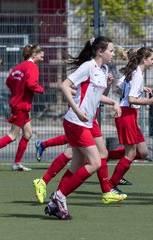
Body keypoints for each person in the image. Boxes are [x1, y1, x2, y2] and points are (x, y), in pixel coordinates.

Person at [45, 36, 121, 220]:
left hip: (84, 122)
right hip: (75, 121)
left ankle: (54, 203)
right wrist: (77, 110)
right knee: (95, 162)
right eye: (111, 50)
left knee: (77, 164)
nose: (113, 53)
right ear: (100, 51)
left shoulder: (103, 69)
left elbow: (96, 96)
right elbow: (64, 85)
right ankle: (60, 196)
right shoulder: (88, 66)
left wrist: (113, 100)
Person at [0, 44, 44, 171]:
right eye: (41, 56)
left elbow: (9, 81)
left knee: (28, 133)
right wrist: (41, 89)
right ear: (34, 55)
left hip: (18, 104)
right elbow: (32, 84)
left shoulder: (19, 66)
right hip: (21, 105)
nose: (42, 59)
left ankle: (17, 163)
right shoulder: (32, 66)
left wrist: (17, 92)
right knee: (12, 135)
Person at [108, 47, 153, 196]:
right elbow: (131, 99)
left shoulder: (135, 72)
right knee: (130, 154)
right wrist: (149, 102)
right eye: (152, 59)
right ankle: (111, 185)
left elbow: (123, 88)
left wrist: (140, 89)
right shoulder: (137, 74)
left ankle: (109, 162)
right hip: (126, 115)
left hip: (129, 114)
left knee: (142, 152)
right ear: (144, 60)